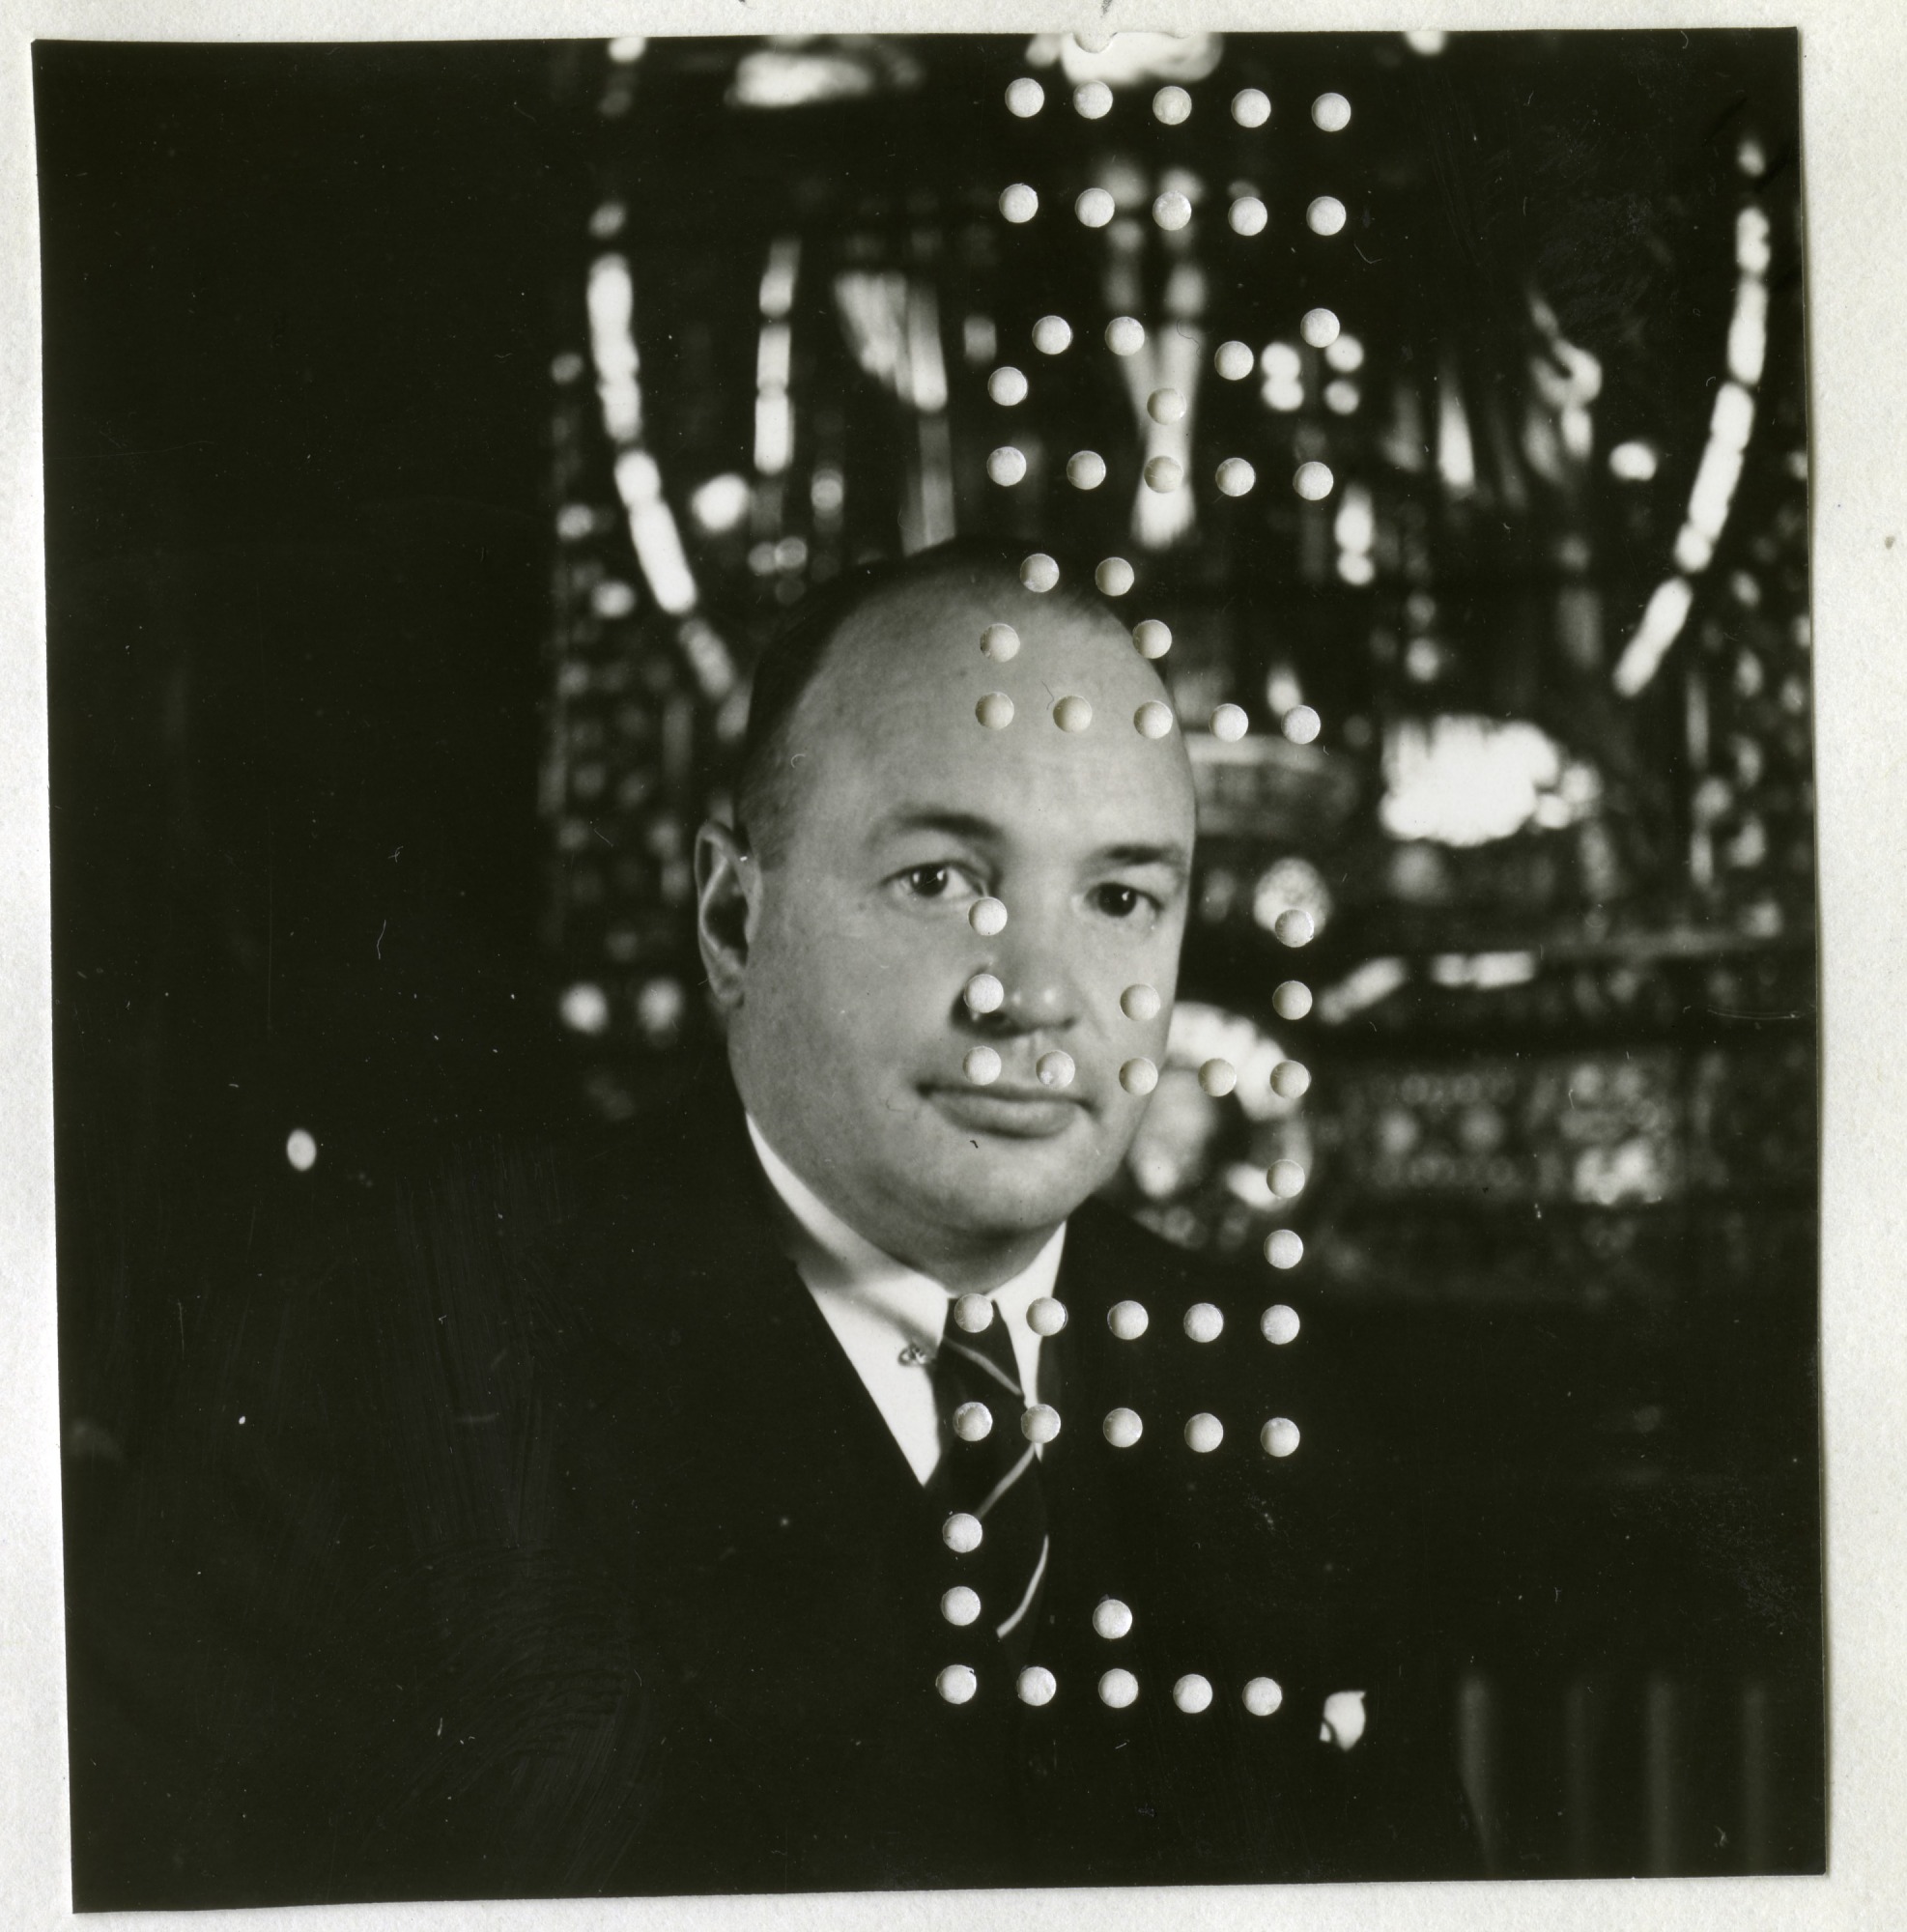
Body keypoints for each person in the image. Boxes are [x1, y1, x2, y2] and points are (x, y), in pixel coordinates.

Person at [66, 539, 1478, 1906]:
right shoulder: (380, 1373)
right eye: (941, 881)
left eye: (1119, 897)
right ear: (734, 918)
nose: (1038, 995)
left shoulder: (1285, 1411)